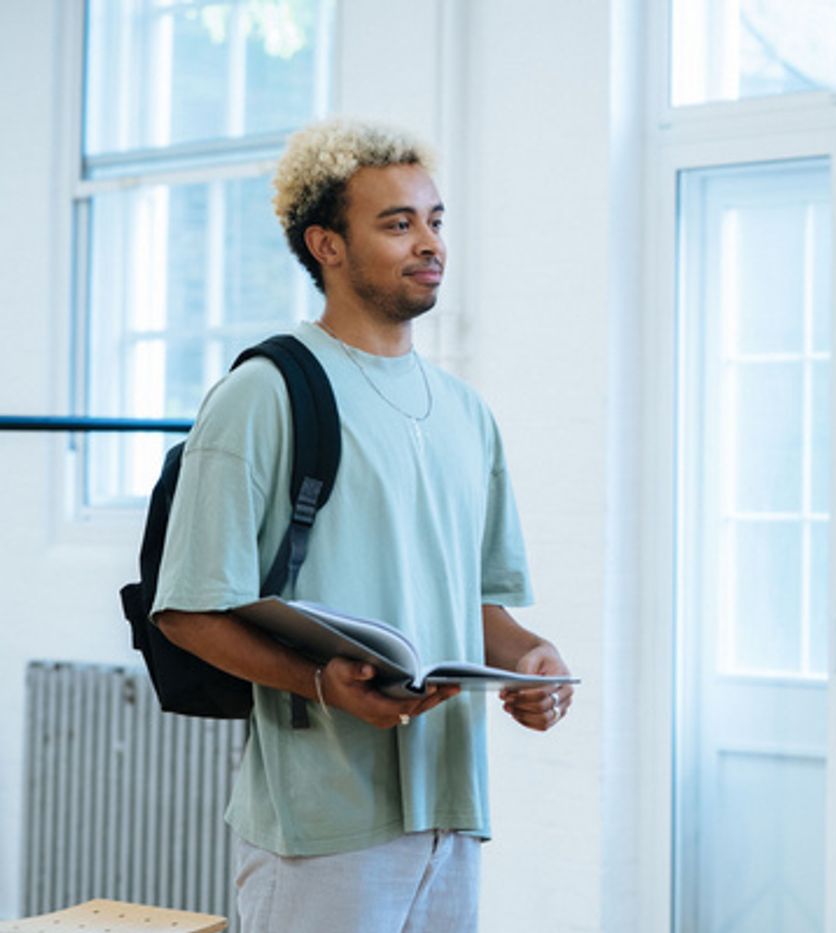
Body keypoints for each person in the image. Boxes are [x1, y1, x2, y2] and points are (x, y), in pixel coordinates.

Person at [152, 119, 573, 933]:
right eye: (397, 223)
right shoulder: (262, 394)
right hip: (321, 826)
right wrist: (319, 683)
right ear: (328, 246)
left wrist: (529, 660)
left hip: (452, 814)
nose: (430, 243)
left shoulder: (467, 414)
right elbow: (187, 609)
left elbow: (475, 602)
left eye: (435, 220)